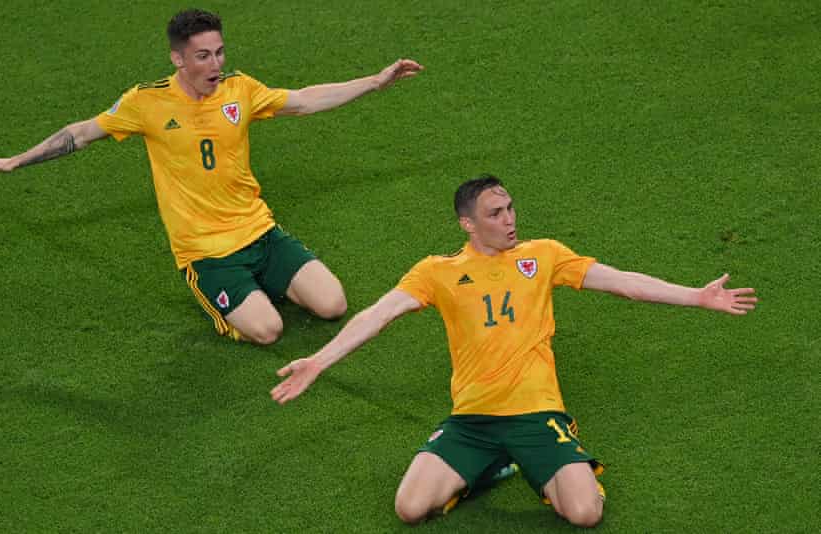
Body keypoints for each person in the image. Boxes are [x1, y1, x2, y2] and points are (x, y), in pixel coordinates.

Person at [270, 175, 758, 527]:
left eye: (510, 209)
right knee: (409, 508)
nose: (509, 220)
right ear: (467, 223)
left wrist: (697, 296)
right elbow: (375, 316)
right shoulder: (436, 272)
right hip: (473, 420)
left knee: (585, 514)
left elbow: (622, 283)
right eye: (495, 213)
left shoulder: (542, 255)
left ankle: (549, 463)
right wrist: (318, 360)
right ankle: (489, 467)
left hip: (537, 414)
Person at [0, 9, 423, 345]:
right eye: (203, 56)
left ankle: (258, 287)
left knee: (333, 305)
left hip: (260, 233)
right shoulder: (147, 102)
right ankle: (222, 301)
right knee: (268, 331)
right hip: (206, 254)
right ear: (179, 59)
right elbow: (82, 133)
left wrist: (374, 82)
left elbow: (302, 100)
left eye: (219, 52)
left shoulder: (239, 90)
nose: (215, 65)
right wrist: (16, 160)